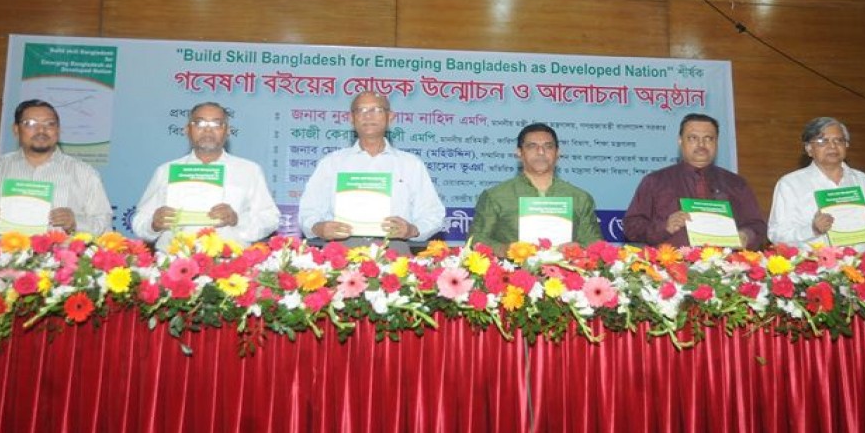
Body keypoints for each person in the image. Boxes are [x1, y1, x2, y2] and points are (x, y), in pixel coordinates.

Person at [298, 91, 445, 254]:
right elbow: (308, 211)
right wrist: (318, 228)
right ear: (351, 119)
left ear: (390, 117)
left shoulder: (411, 164)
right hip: (338, 254)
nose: (368, 116)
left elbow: (433, 214)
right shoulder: (331, 163)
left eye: (376, 110)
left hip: (395, 253)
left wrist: (412, 230)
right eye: (361, 110)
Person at [132, 102, 280, 249]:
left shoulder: (249, 171)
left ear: (228, 131)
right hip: (173, 264)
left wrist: (237, 220)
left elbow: (270, 219)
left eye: (217, 124)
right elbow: (139, 222)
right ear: (187, 129)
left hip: (230, 265)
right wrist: (153, 224)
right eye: (199, 123)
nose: (208, 130)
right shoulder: (166, 171)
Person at [0, 99, 112, 242]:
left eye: (50, 124)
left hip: (61, 262)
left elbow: (105, 228)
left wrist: (75, 222)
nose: (41, 130)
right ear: (16, 129)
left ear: (58, 130)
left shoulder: (84, 174)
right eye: (31, 124)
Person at [623, 113, 766, 249]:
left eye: (708, 138)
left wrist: (746, 236)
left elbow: (758, 227)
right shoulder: (655, 181)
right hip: (669, 269)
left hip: (725, 269)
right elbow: (632, 227)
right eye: (693, 138)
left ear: (717, 142)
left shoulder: (736, 184)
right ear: (680, 141)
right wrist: (664, 227)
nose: (701, 145)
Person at [469, 122, 603, 255]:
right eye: (532, 146)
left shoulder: (579, 197)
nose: (541, 152)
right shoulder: (496, 196)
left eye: (548, 146)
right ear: (519, 153)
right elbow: (476, 240)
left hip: (567, 273)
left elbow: (595, 243)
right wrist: (507, 250)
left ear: (558, 153)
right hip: (511, 273)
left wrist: (578, 248)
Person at [768, 117, 865, 249]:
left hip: (864, 265)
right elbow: (777, 235)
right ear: (809, 149)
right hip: (816, 267)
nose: (833, 146)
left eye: (839, 140)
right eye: (823, 141)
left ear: (846, 145)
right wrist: (812, 229)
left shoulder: (864, 181)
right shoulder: (790, 184)